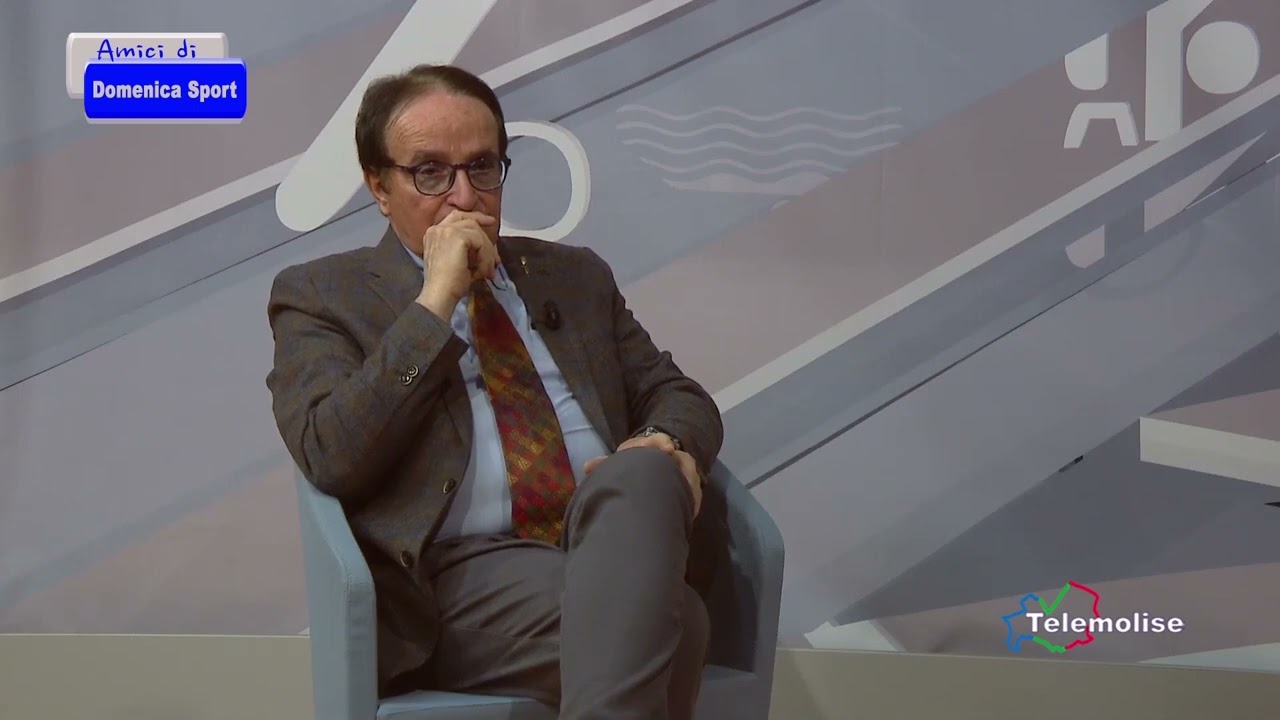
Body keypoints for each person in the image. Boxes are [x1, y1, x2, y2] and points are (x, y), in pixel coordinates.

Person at [265, 63, 724, 719]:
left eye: (482, 167)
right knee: (674, 623)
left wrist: (664, 440)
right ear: (379, 186)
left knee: (646, 474)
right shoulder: (322, 295)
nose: (464, 197)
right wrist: (435, 304)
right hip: (454, 581)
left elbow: (679, 395)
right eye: (431, 172)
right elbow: (331, 452)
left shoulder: (573, 276)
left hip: (604, 540)